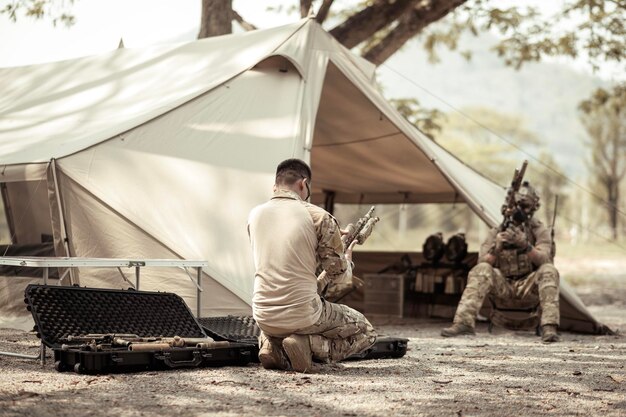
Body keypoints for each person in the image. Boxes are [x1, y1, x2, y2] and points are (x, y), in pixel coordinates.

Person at [247, 158, 377, 372]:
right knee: (367, 332)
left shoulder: (255, 214)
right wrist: (346, 256)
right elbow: (338, 274)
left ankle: (271, 346)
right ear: (303, 183)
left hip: (262, 314)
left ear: (275, 186)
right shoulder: (318, 216)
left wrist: (326, 237)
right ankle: (307, 345)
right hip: (302, 313)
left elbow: (286, 258)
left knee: (282, 317)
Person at [441, 181, 561, 343]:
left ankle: (549, 327)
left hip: (528, 286)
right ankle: (463, 323)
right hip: (503, 286)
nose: (520, 211)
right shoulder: (497, 231)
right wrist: (496, 248)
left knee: (548, 270)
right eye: (517, 205)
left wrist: (525, 245)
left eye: (524, 206)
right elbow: (481, 262)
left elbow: (545, 259)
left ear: (533, 208)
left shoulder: (539, 230)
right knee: (482, 268)